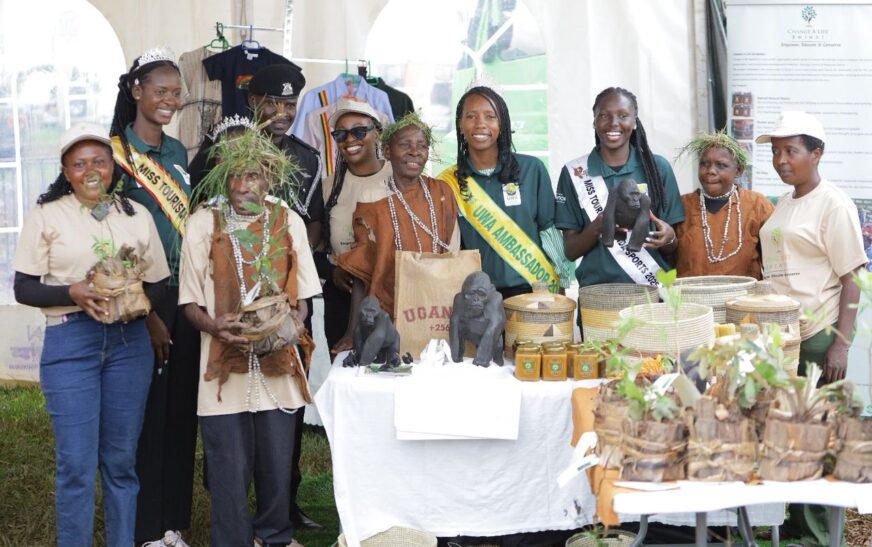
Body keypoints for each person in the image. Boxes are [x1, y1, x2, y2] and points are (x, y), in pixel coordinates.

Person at [12, 122, 169, 546]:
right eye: (79, 164)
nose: (90, 171)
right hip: (71, 342)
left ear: (112, 168)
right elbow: (23, 287)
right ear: (66, 172)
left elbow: (159, 281)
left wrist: (134, 298)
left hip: (128, 344)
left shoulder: (136, 216)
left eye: (99, 161)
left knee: (120, 462)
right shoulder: (47, 215)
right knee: (76, 466)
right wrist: (73, 293)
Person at [180, 127, 320, 547]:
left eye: (253, 175)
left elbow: (304, 297)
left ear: (269, 178)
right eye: (234, 175)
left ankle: (275, 536)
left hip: (278, 364)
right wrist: (213, 326)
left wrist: (291, 323)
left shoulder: (288, 220)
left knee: (277, 463)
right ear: (222, 177)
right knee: (229, 468)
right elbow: (189, 303)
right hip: (222, 367)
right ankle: (233, 540)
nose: (243, 186)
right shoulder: (202, 223)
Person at [758, 111, 866, 547]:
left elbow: (853, 276)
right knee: (793, 434)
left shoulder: (833, 204)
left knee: (817, 435)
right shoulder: (787, 202)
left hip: (818, 335)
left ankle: (819, 535)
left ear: (817, 153)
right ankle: (797, 525)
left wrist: (840, 344)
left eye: (791, 151)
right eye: (775, 152)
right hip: (785, 337)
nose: (781, 160)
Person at [109, 47, 199, 546]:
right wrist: (145, 313)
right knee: (144, 416)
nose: (170, 100)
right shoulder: (114, 155)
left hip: (183, 295)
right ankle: (144, 529)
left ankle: (172, 524)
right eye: (160, 91)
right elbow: (106, 242)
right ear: (136, 90)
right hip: (140, 301)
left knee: (180, 411)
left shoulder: (179, 153)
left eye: (176, 93)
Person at [437, 85, 565, 300]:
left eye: (490, 116)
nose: (480, 124)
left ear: (502, 123)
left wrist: (560, 287)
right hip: (477, 300)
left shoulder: (532, 169)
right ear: (460, 124)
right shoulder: (447, 183)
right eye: (471, 116)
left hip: (533, 294)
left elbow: (549, 232)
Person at [556, 86, 684, 287]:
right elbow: (570, 252)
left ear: (634, 121)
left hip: (652, 292)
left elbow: (673, 246)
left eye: (623, 116)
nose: (613, 123)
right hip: (598, 293)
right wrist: (600, 225)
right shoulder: (575, 172)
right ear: (594, 122)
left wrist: (669, 238)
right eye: (604, 116)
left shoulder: (657, 168)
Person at [337, 112, 460, 321]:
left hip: (437, 304)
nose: (415, 152)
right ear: (387, 151)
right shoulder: (372, 196)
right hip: (387, 307)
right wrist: (352, 329)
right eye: (405, 145)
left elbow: (452, 253)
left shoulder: (441, 192)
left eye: (422, 146)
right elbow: (363, 263)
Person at [323, 98, 392, 352]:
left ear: (377, 134)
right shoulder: (329, 186)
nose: (350, 139)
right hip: (342, 296)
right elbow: (317, 246)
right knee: (344, 367)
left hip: (389, 292)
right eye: (341, 134)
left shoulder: (398, 177)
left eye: (359, 131)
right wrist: (334, 271)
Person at [673, 131, 774, 278]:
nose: (710, 171)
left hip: (744, 292)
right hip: (691, 292)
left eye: (721, 165)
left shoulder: (757, 205)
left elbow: (774, 258)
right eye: (704, 164)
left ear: (738, 170)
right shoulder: (681, 205)